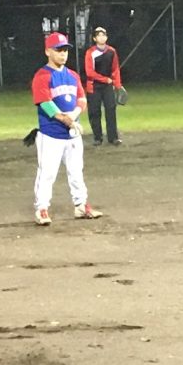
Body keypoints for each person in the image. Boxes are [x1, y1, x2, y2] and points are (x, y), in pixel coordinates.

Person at [31, 31, 102, 226]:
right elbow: (46, 104)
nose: (63, 54)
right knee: (47, 173)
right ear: (48, 51)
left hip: (72, 135)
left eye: (65, 50)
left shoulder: (72, 75)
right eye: (58, 50)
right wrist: (67, 119)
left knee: (76, 171)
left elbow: (82, 99)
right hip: (51, 135)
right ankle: (42, 209)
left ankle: (81, 205)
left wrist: (75, 113)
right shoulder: (42, 76)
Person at [83, 26, 124, 145]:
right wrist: (105, 79)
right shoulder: (90, 53)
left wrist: (118, 85)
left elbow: (115, 69)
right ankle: (97, 138)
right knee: (94, 112)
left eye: (103, 35)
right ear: (94, 39)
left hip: (107, 86)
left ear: (106, 37)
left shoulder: (112, 51)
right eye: (99, 35)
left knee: (111, 110)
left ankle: (113, 137)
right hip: (93, 86)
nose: (101, 37)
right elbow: (89, 72)